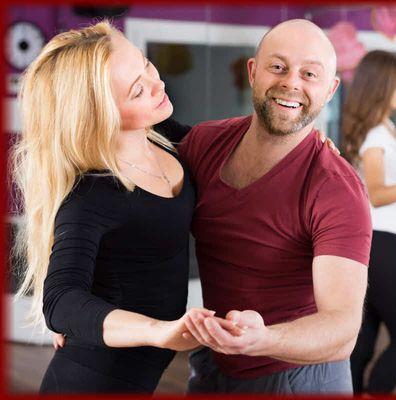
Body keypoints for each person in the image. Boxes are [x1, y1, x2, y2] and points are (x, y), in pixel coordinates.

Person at [10, 21, 244, 393]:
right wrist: (161, 331)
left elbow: (230, 141)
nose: (159, 83)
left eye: (146, 65)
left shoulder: (163, 136)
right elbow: (60, 302)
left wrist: (309, 148)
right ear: (101, 116)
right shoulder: (93, 194)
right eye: (138, 90)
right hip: (90, 382)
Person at [148, 19, 372, 394]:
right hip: (214, 362)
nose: (292, 83)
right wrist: (81, 309)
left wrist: (261, 339)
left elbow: (342, 329)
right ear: (253, 72)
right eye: (278, 67)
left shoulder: (337, 189)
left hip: (300, 376)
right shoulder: (205, 143)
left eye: (310, 74)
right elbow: (132, 204)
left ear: (330, 89)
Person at [340, 50, 396, 393]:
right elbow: (375, 194)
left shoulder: (384, 128)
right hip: (381, 243)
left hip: (378, 243)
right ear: (381, 86)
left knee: (364, 338)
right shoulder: (376, 136)